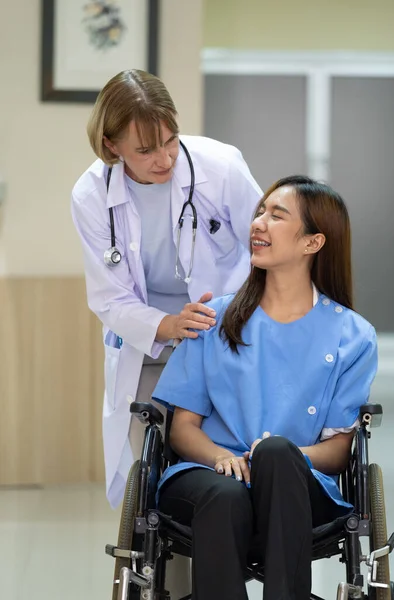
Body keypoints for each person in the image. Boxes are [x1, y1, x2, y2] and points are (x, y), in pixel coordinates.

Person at [152, 175, 378, 600]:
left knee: (276, 452)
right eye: (260, 212)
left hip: (300, 484)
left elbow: (336, 452)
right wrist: (224, 458)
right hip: (209, 476)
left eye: (277, 216)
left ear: (313, 243)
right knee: (225, 493)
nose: (259, 222)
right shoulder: (214, 318)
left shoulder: (352, 335)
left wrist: (274, 458)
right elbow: (182, 430)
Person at [71, 69, 262, 510]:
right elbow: (110, 297)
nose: (164, 158)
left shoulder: (220, 166)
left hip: (226, 332)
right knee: (150, 476)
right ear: (111, 146)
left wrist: (235, 313)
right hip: (149, 343)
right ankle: (168, 577)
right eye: (145, 149)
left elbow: (267, 244)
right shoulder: (90, 196)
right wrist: (170, 324)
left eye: (171, 139)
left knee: (226, 462)